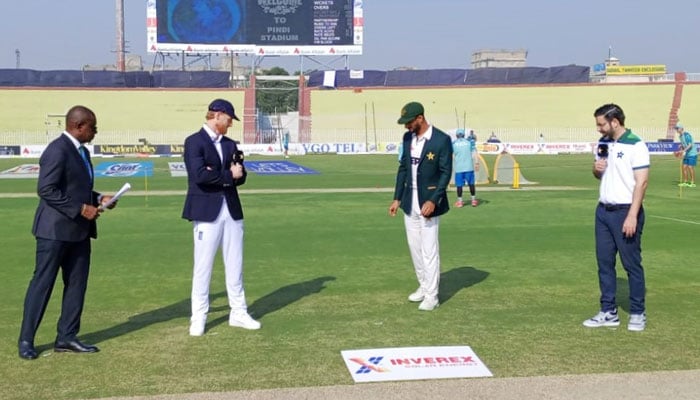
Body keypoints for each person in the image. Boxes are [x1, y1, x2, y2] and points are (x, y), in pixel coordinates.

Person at [18, 105, 117, 360]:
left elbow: (75, 188)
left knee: (76, 285)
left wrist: (98, 197)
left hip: (79, 232)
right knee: (43, 284)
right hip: (53, 231)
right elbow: (47, 189)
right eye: (93, 127)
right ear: (79, 126)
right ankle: (26, 340)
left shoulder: (81, 152)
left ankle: (67, 337)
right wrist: (81, 208)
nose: (95, 132)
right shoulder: (57, 150)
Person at [182, 99, 260, 336]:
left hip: (232, 211)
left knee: (235, 264)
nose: (230, 124)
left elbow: (241, 175)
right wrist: (228, 174)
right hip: (206, 212)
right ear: (217, 115)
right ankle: (199, 316)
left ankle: (238, 311)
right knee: (203, 267)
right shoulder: (194, 142)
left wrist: (227, 173)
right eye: (229, 119)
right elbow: (199, 176)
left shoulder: (229, 144)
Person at [584, 103, 649, 332]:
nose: (599, 129)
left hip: (626, 212)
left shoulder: (636, 145)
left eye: (601, 124)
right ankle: (608, 311)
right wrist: (596, 169)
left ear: (615, 121)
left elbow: (641, 182)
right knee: (604, 264)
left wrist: (632, 215)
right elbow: (598, 174)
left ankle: (638, 312)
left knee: (631, 265)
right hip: (603, 211)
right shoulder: (603, 144)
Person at [389, 102, 453, 311]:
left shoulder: (441, 140)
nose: (406, 127)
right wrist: (397, 198)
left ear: (420, 118)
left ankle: (432, 296)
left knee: (429, 250)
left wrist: (433, 200)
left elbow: (445, 173)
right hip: (410, 201)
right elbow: (403, 169)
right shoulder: (408, 138)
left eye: (408, 122)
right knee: (414, 248)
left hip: (429, 203)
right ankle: (424, 286)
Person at [452, 128, 480, 207]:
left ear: (456, 135)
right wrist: (477, 163)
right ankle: (473, 200)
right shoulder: (469, 143)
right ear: (464, 135)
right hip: (469, 167)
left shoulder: (453, 143)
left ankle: (460, 202)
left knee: (459, 185)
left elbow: (451, 155)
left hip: (459, 168)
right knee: (471, 184)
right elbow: (474, 153)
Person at [675, 122, 696, 187]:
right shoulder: (680, 136)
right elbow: (684, 144)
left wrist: (683, 151)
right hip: (687, 153)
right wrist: (681, 146)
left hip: (692, 153)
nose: (676, 130)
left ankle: (692, 182)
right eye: (676, 128)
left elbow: (690, 145)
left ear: (681, 129)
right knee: (684, 167)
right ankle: (685, 182)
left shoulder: (686, 135)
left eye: (677, 128)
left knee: (690, 167)